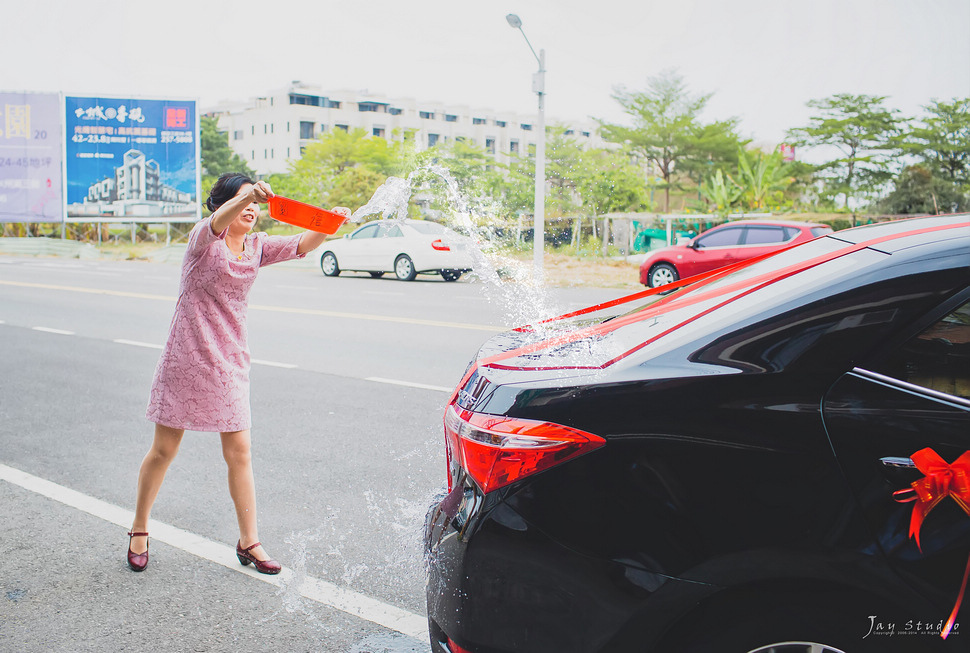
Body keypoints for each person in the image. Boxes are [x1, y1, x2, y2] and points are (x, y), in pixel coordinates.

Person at [127, 173, 349, 574]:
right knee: (164, 451)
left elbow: (302, 244)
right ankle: (139, 528)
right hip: (186, 357)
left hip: (229, 360)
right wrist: (248, 192)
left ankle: (250, 542)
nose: (251, 208)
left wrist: (329, 222)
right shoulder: (201, 240)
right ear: (223, 205)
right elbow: (215, 222)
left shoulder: (256, 246)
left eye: (254, 203)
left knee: (240, 453)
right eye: (241, 201)